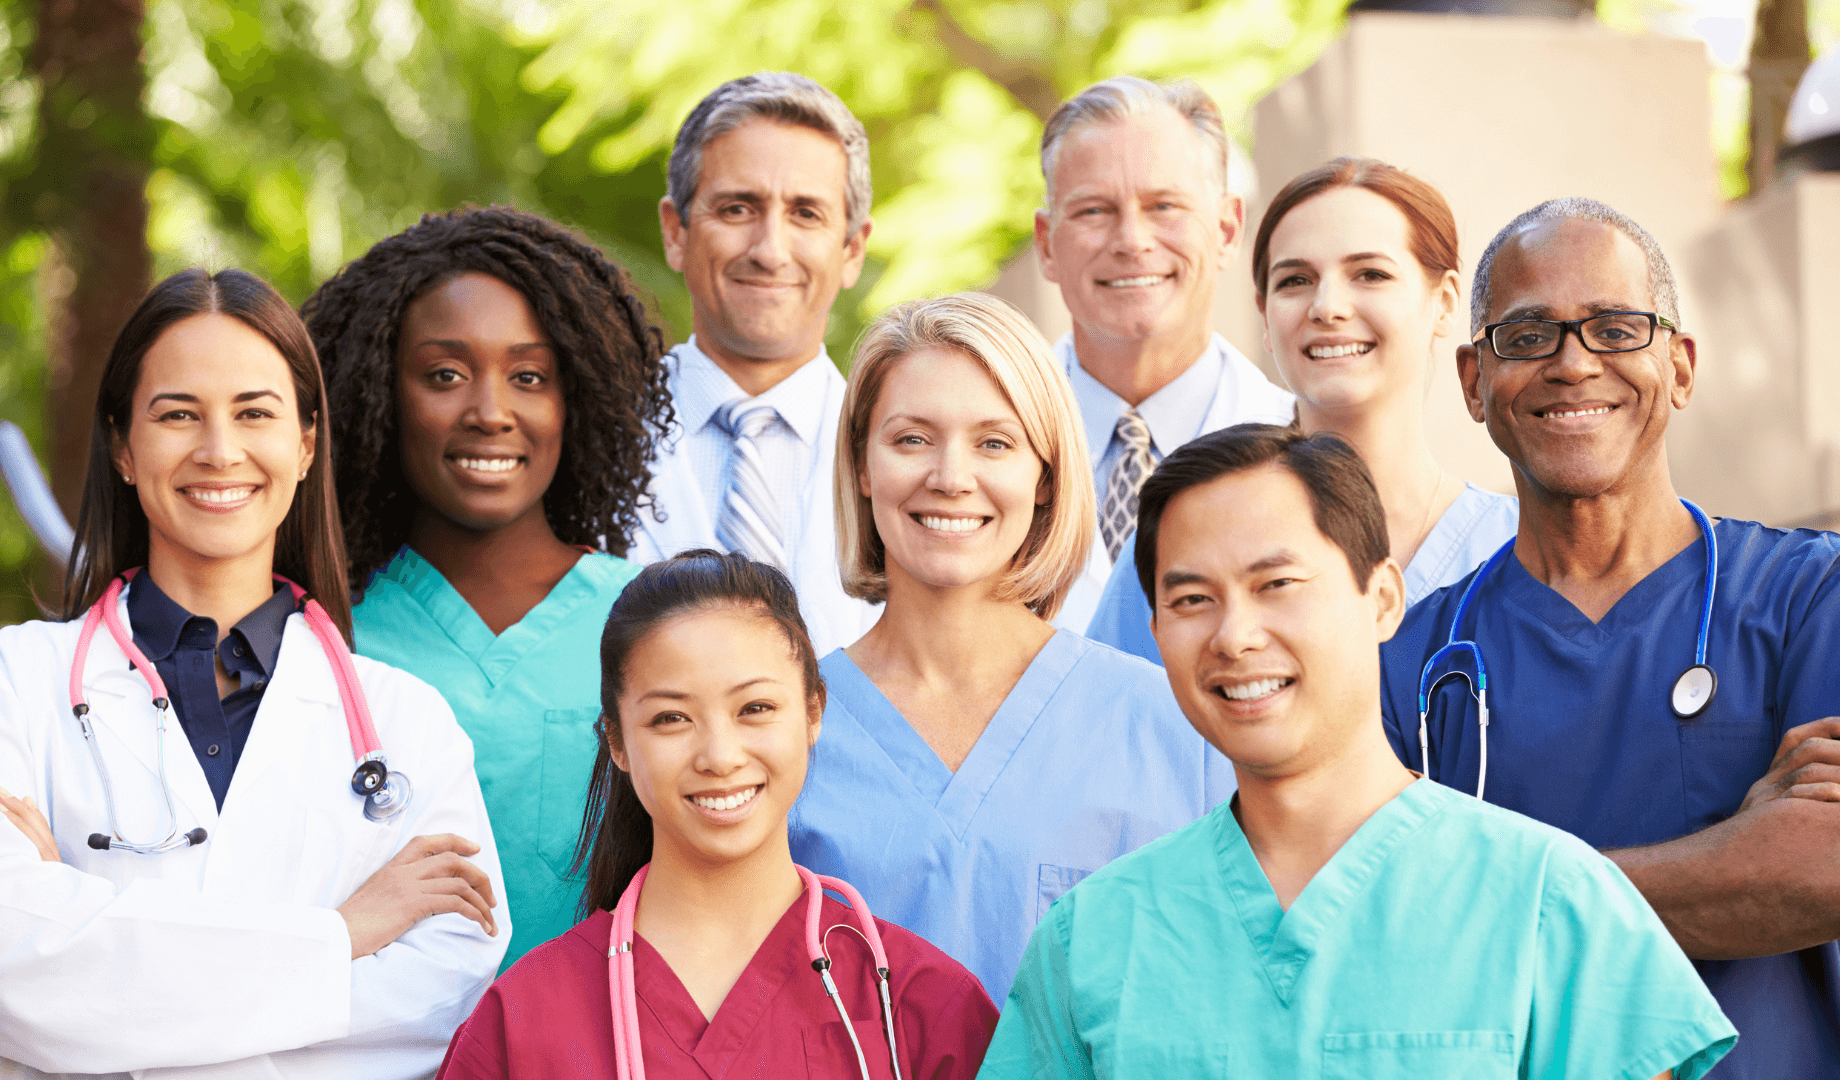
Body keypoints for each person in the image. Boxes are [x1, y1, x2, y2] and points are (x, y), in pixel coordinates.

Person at [981, 423, 1736, 1078]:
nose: (1234, 635)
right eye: (1191, 600)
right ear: (1156, 635)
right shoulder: (1094, 940)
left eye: (1277, 582)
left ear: (1382, 600)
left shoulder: (1551, 902)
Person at [1379, 198, 1840, 1078]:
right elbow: (1396, 937)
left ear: (1680, 364)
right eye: (1528, 337)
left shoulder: (1822, 596)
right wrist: (1741, 848)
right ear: (1475, 381)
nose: (1573, 363)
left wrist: (1495, 897)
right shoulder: (1409, 664)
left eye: (1617, 328)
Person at [0, 269, 505, 1078]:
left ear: (306, 444)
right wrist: (342, 935)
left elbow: (440, 998)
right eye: (177, 415)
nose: (219, 450)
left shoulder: (409, 725)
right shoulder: (16, 684)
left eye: (254, 413)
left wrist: (93, 952)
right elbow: (9, 968)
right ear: (125, 447)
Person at [787, 293, 1234, 1003]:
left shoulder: (1175, 729)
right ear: (862, 466)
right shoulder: (783, 730)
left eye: (995, 442)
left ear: (1046, 476)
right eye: (911, 439)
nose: (951, 477)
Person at [436, 550, 998, 1078]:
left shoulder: (919, 1004)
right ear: (617, 742)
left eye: (755, 708)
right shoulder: (524, 1018)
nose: (720, 757)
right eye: (671, 719)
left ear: (813, 712)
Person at [304, 205, 671, 969]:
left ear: (577, 399)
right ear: (376, 390)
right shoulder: (321, 631)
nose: (491, 412)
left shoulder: (658, 623)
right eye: (445, 375)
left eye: (529, 376)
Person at [1087, 157, 1517, 663]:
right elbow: (1100, 725)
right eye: (1295, 281)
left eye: (1370, 274)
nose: (1327, 306)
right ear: (1265, 316)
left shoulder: (1521, 549)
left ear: (1444, 303)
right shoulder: (1180, 538)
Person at [1032, 75, 1295, 631]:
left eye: (1164, 206)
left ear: (1226, 229)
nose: (1132, 240)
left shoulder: (1300, 442)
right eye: (1093, 211)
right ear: (1046, 243)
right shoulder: (989, 440)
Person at [630, 72, 878, 652]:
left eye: (806, 214)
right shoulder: (588, 440)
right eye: (738, 208)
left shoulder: (906, 457)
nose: (769, 251)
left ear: (852, 250)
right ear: (676, 232)